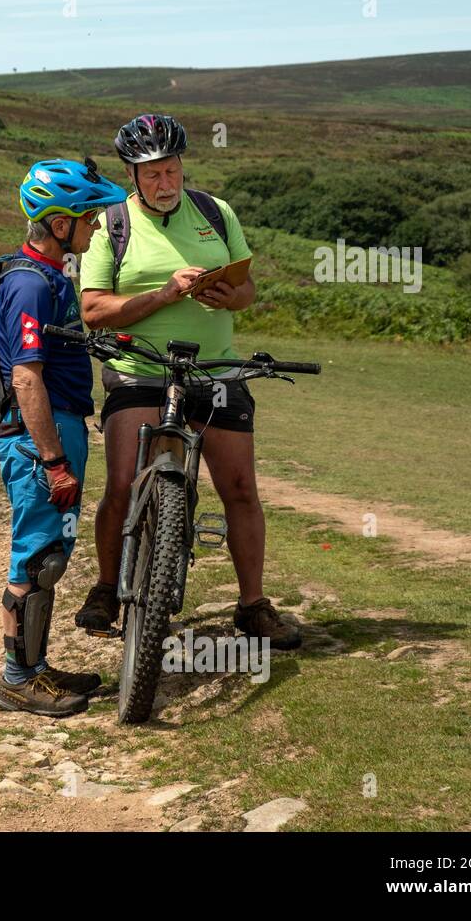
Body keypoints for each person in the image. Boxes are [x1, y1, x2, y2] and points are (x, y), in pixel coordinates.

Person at [73, 114, 301, 650]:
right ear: (132, 175)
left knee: (240, 489)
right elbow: (93, 310)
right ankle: (106, 587)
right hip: (140, 372)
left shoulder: (216, 213)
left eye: (172, 170)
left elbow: (248, 291)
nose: (165, 182)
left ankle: (252, 605)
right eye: (153, 174)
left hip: (215, 371)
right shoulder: (111, 224)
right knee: (123, 484)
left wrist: (231, 295)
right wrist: (163, 296)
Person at [0, 158, 130, 717]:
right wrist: (52, 461)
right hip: (38, 437)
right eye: (87, 218)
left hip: (58, 428)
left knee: (50, 555)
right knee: (37, 560)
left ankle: (36, 668)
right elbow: (26, 378)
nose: (95, 226)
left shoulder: (50, 278)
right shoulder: (29, 283)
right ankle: (16, 681)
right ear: (59, 223)